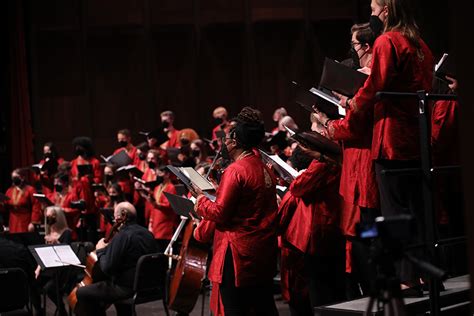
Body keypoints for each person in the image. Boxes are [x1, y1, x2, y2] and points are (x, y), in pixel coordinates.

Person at [314, 0, 434, 290]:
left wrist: (351, 103)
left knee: (394, 212)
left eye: (373, 7)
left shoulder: (388, 41)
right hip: (416, 135)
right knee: (417, 209)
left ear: (387, 10)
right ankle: (425, 274)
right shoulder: (421, 45)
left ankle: (407, 280)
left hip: (390, 137)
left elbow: (375, 86)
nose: (371, 13)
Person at [194, 107, 279, 316]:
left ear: (235, 142)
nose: (225, 142)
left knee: (235, 309)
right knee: (263, 308)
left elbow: (221, 212)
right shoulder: (263, 166)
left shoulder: (236, 170)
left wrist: (201, 201)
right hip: (260, 249)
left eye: (228, 138)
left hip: (238, 252)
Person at [75, 202, 158, 316]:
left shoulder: (123, 236)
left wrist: (100, 250)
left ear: (119, 218)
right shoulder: (148, 234)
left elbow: (107, 268)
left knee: (82, 292)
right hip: (149, 287)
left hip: (127, 289)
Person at [37, 206, 73, 316]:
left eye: (51, 215)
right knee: (31, 281)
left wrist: (56, 241)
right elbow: (43, 253)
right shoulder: (48, 231)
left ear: (58, 217)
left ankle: (62, 310)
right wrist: (38, 268)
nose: (48, 218)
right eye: (47, 216)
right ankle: (38, 310)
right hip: (49, 268)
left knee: (50, 288)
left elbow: (65, 252)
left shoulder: (66, 232)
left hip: (63, 269)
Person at [144, 166, 179, 252]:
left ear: (167, 175)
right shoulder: (157, 188)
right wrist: (151, 222)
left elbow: (168, 206)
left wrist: (155, 204)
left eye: (160, 173)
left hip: (165, 224)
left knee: (163, 249)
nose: (158, 175)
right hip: (156, 222)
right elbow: (153, 207)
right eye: (157, 173)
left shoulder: (171, 187)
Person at [1, 169, 42, 233]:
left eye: (16, 177)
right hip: (13, 221)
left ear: (23, 177)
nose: (15, 179)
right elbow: (5, 206)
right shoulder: (9, 191)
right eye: (13, 178)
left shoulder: (30, 190)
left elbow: (36, 206)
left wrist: (33, 222)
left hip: (26, 221)